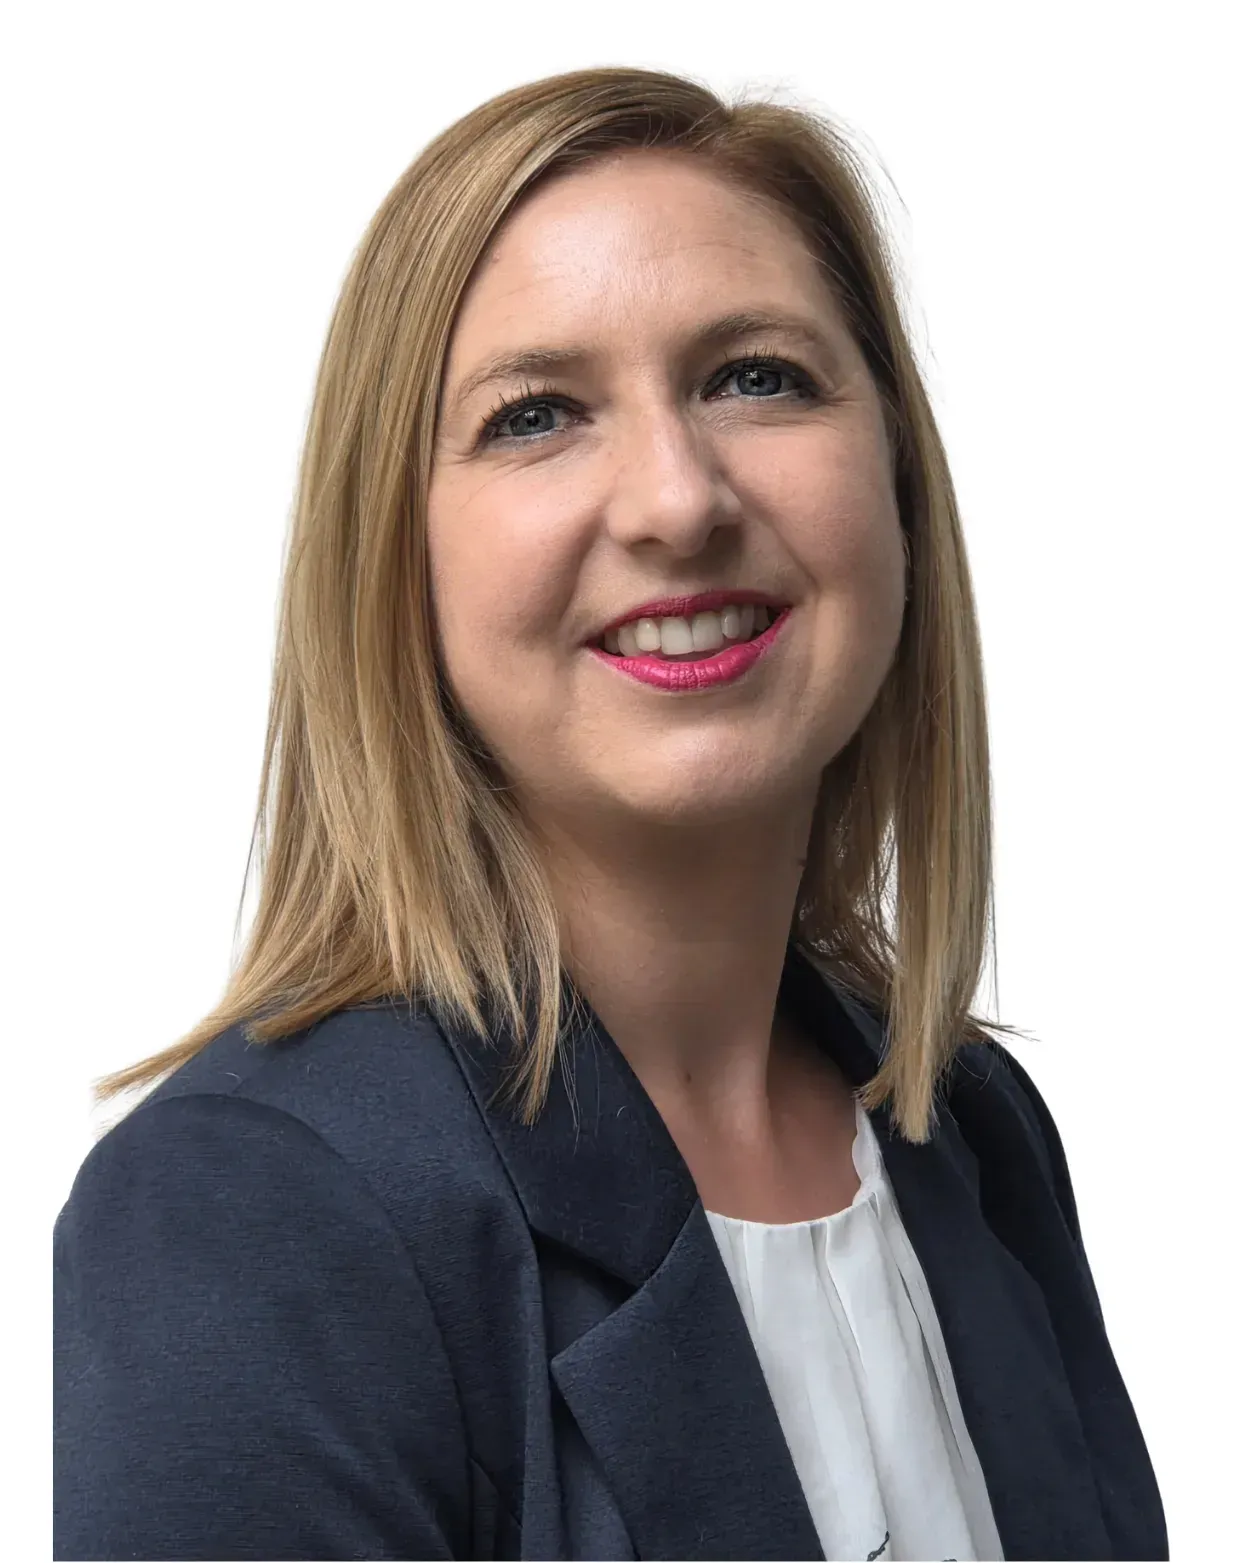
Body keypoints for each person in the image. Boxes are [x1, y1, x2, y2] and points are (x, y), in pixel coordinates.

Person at [52, 65, 1168, 1562]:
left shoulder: (966, 1125)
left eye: (756, 378)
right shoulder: (254, 1211)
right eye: (536, 415)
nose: (676, 499)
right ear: (394, 556)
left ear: (898, 477)